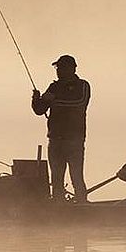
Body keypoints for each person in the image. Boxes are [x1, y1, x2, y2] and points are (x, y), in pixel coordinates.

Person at [31, 54, 91, 201]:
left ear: (72, 69)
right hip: (55, 140)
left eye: (61, 67)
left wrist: (54, 101)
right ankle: (59, 207)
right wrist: (36, 99)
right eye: (57, 68)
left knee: (76, 176)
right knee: (56, 178)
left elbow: (79, 103)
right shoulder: (54, 86)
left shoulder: (83, 86)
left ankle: (82, 204)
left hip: (74, 140)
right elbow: (39, 110)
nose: (58, 71)